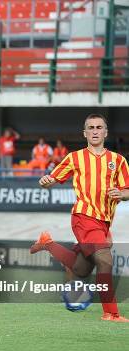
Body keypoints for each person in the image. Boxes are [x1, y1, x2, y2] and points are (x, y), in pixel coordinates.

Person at [30, 114, 129, 322]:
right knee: (105, 260)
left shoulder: (118, 161)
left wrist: (122, 194)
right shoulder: (74, 158)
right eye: (91, 127)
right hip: (83, 216)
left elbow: (127, 190)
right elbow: (52, 179)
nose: (95, 131)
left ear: (105, 132)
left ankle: (47, 243)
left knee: (81, 269)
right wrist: (45, 181)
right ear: (85, 133)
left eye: (99, 127)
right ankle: (111, 313)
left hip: (103, 222)